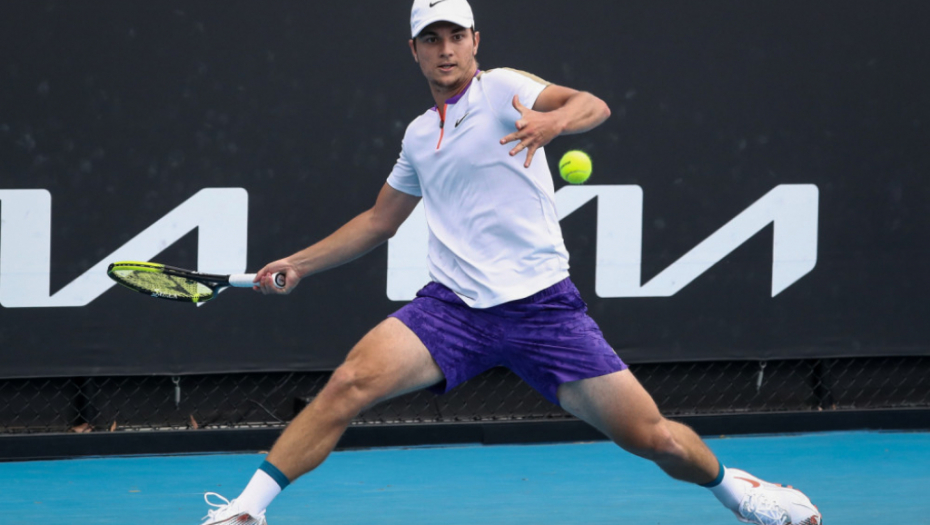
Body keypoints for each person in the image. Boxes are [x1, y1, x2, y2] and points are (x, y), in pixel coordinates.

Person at [201, 1, 822, 524]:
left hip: (543, 310)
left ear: (475, 41)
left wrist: (553, 122)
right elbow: (379, 221)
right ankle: (246, 511)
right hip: (453, 309)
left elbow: (593, 104)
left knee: (653, 438)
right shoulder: (418, 136)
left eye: (456, 36)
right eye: (431, 39)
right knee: (347, 384)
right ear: (414, 51)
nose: (446, 49)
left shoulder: (502, 88)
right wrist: (300, 263)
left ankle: (740, 493)